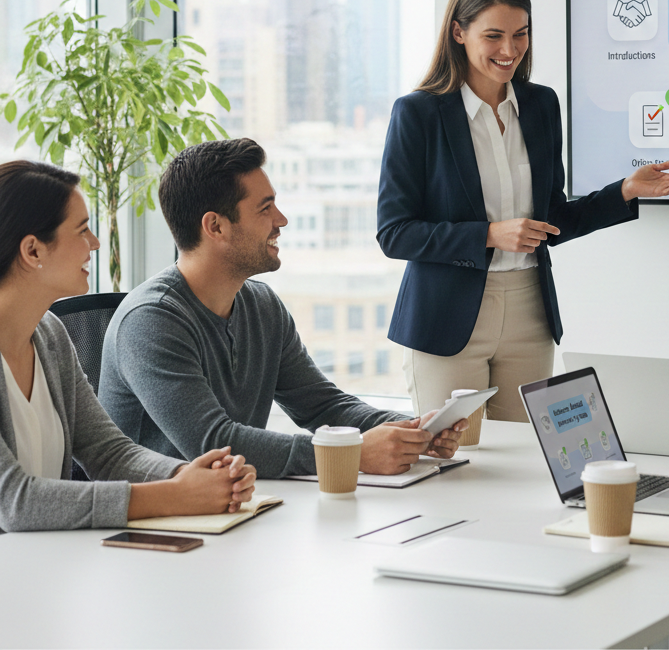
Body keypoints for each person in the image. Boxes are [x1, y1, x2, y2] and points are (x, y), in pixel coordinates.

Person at [377, 0, 669, 421]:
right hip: (445, 317)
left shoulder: (541, 106)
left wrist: (626, 190)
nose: (509, 50)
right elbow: (395, 233)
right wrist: (489, 235)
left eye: (521, 34)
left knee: (530, 463)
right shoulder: (417, 114)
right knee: (448, 462)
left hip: (530, 311)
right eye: (493, 36)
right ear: (459, 31)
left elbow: (552, 219)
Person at [99, 139, 465, 479]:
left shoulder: (261, 305)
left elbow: (323, 406)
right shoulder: (150, 321)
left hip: (229, 508)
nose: (282, 220)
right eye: (265, 208)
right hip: (153, 527)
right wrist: (348, 453)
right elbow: (213, 442)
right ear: (216, 226)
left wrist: (413, 429)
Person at [0, 160, 256, 532]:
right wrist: (175, 496)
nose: (96, 243)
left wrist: (193, 475)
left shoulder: (50, 336)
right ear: (33, 251)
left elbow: (108, 452)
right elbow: (15, 504)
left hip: (44, 567)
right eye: (82, 230)